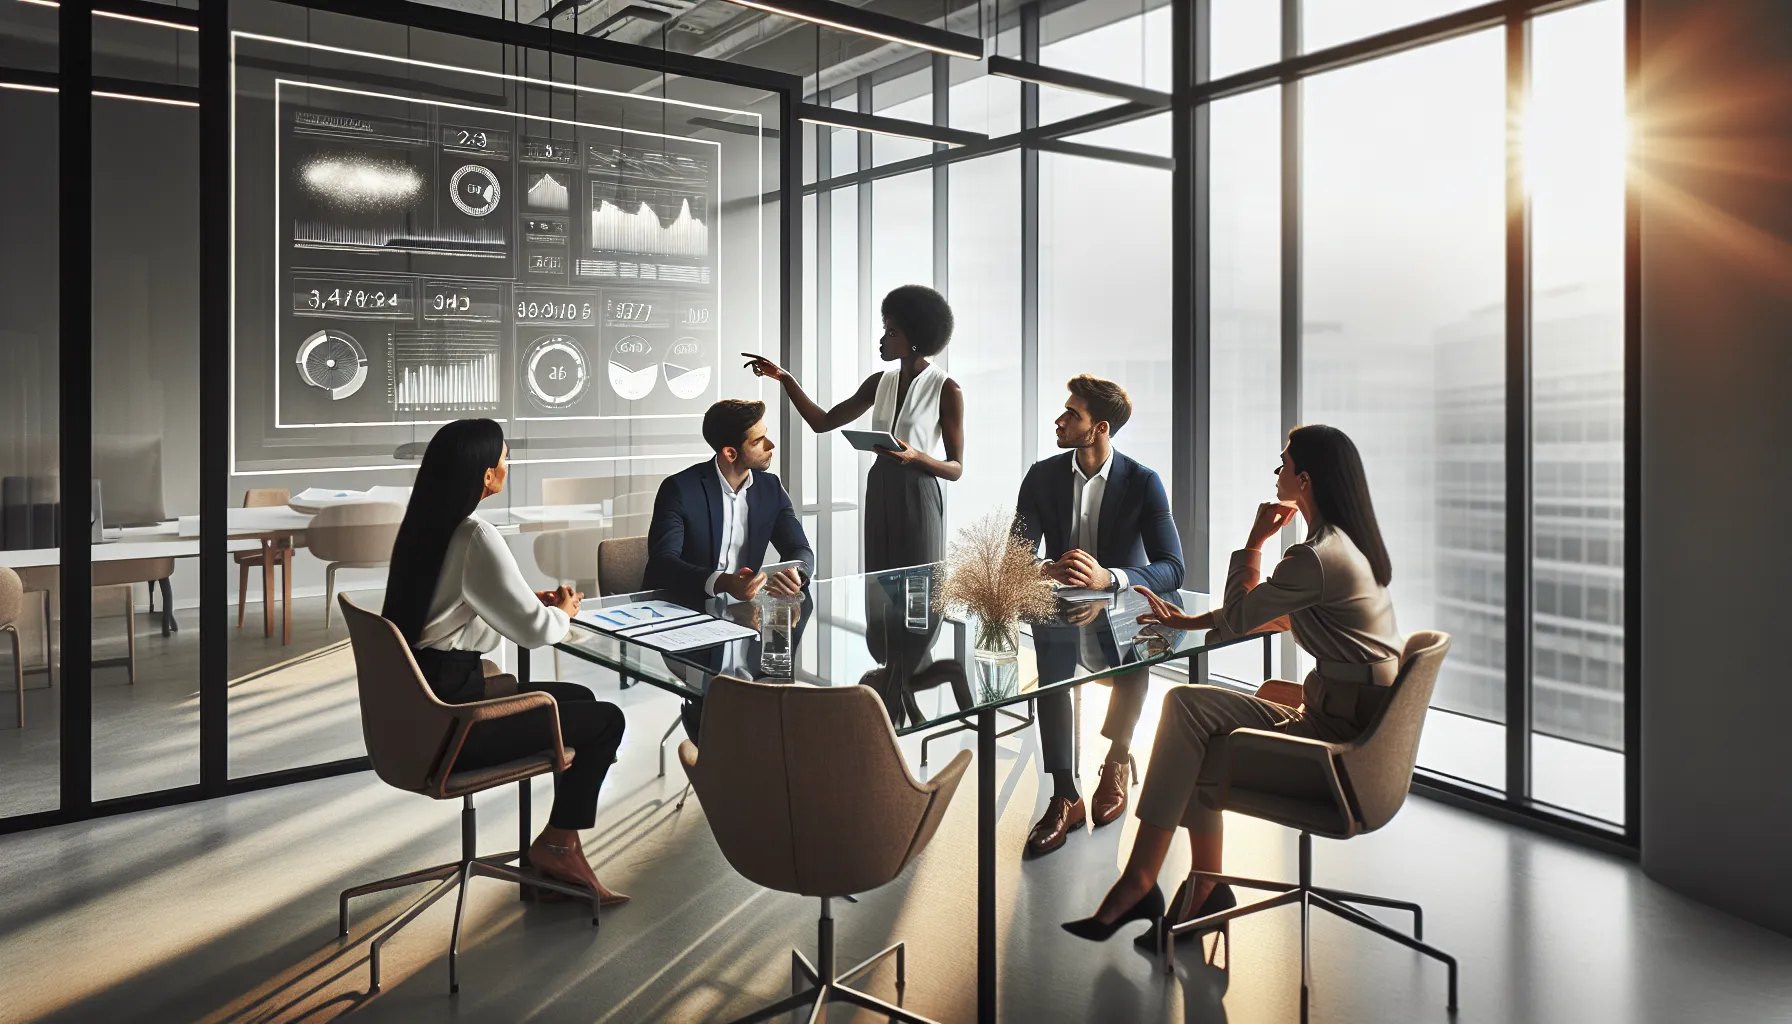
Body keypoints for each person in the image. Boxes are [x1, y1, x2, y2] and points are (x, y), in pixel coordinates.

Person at [1061, 424, 1403, 949]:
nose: (1276, 472)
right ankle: (1204, 888)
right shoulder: (1346, 548)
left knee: (1187, 712)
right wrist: (1188, 625)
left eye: (1283, 463)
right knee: (1193, 725)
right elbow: (1282, 618)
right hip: (1359, 722)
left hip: (1337, 738)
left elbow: (1246, 614)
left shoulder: (1312, 557)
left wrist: (1254, 542)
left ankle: (1143, 882)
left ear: (1304, 480)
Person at [381, 418, 630, 905]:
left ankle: (561, 846)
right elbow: (535, 633)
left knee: (575, 699)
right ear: (484, 475)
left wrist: (526, 601)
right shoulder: (474, 534)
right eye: (505, 458)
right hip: (458, 722)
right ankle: (558, 845)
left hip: (421, 708)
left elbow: (450, 610)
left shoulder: (424, 529)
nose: (509, 465)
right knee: (605, 721)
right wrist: (560, 611)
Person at [1013, 375, 1184, 857]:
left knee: (1144, 642)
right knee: (1052, 663)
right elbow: (1014, 556)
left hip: (1120, 604)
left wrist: (1109, 579)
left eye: (1073, 414)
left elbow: (1173, 567)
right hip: (1059, 606)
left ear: (1100, 428)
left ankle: (1116, 758)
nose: (1060, 420)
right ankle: (1065, 794)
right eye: (1064, 411)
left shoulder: (1143, 481)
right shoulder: (1041, 476)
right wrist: (1048, 566)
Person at [741, 284, 964, 570]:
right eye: (885, 329)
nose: (882, 339)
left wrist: (916, 456)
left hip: (918, 492)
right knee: (878, 579)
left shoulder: (946, 389)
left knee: (918, 582)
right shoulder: (879, 382)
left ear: (917, 339)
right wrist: (786, 379)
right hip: (880, 485)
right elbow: (822, 423)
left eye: (892, 333)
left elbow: (956, 469)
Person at [644, 398, 816, 610]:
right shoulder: (679, 489)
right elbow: (662, 564)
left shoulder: (770, 488)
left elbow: (799, 548)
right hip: (680, 611)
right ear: (730, 453)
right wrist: (723, 582)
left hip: (742, 616)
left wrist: (795, 574)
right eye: (758, 441)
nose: (770, 445)